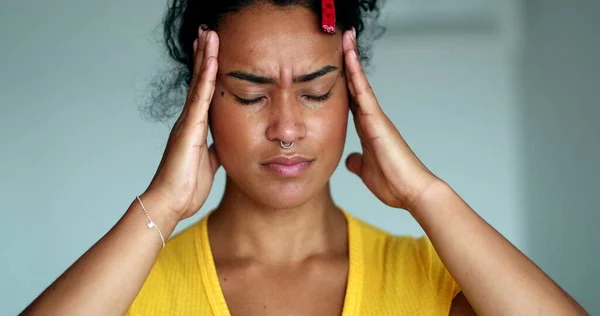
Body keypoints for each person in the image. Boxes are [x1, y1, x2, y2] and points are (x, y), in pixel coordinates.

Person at [23, 0, 588, 315]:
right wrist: (161, 207)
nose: (287, 127)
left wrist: (427, 195)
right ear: (200, 103)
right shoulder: (128, 288)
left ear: (353, 97)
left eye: (317, 91)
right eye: (249, 95)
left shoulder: (435, 281)